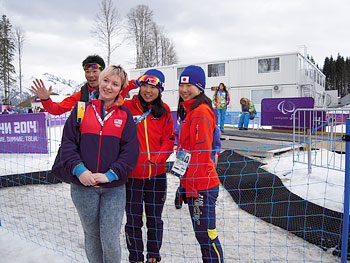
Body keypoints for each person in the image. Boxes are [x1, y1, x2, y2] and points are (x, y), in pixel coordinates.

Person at [59, 65, 139, 263]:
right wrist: (80, 170)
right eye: (106, 81)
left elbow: (130, 152)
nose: (108, 87)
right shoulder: (81, 110)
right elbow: (67, 144)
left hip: (113, 188)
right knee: (92, 236)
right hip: (83, 186)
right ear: (98, 81)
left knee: (110, 238)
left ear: (121, 89)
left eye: (115, 84)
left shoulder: (124, 115)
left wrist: (110, 174)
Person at [123, 69, 175, 263]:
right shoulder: (127, 106)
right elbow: (113, 95)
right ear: (139, 86)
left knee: (154, 220)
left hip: (157, 176)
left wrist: (158, 158)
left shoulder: (165, 110)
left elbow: (169, 140)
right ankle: (135, 258)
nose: (148, 90)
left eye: (153, 87)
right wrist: (132, 82)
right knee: (134, 221)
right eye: (145, 85)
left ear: (160, 90)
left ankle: (154, 256)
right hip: (132, 177)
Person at [176, 65, 224, 263]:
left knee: (207, 234)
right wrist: (184, 183)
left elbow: (202, 153)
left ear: (200, 87)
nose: (184, 89)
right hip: (195, 183)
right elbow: (187, 151)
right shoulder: (191, 111)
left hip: (202, 186)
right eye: (181, 84)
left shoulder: (200, 113)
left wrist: (192, 187)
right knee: (203, 234)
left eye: (190, 85)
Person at [31, 55, 106, 115]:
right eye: (87, 72)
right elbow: (56, 109)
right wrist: (45, 99)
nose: (91, 75)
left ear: (103, 72)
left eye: (94, 71)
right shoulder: (82, 95)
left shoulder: (112, 91)